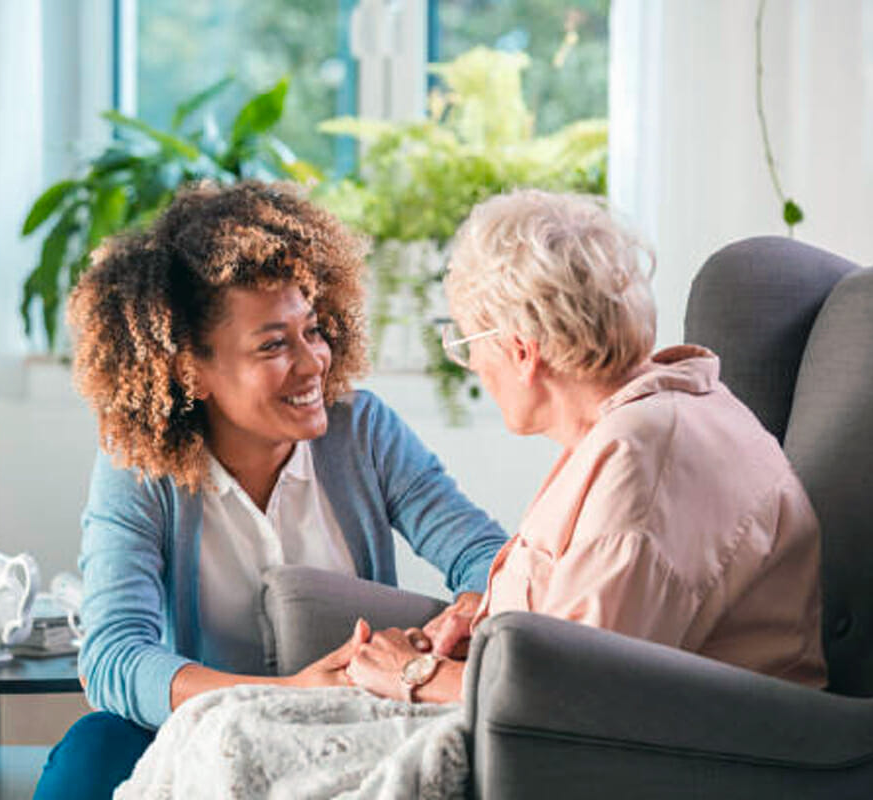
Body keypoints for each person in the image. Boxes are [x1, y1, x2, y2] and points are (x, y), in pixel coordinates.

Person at [32, 181, 509, 800]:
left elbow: (484, 554)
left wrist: (472, 606)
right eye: (274, 345)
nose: (314, 363)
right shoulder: (139, 469)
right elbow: (115, 657)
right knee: (94, 749)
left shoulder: (362, 432)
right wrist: (286, 695)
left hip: (347, 729)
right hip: (203, 732)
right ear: (190, 370)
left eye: (312, 330)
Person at [345, 188, 828, 703]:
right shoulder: (660, 413)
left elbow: (576, 695)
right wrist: (485, 622)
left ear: (521, 351)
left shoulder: (642, 457)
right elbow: (587, 624)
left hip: (696, 761)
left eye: (466, 344)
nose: (475, 366)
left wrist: (415, 674)